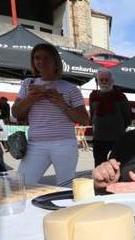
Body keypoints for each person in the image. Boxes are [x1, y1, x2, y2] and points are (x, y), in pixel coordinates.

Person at [12, 43, 89, 185]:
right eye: (37, 58)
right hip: (35, 145)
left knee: (65, 188)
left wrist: (62, 103)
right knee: (21, 185)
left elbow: (84, 120)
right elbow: (15, 113)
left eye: (46, 58)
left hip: (64, 144)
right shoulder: (28, 84)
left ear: (55, 62)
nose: (41, 62)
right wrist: (30, 98)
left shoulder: (70, 88)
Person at [89, 69, 132, 166]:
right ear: (97, 81)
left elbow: (128, 117)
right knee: (99, 165)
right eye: (101, 80)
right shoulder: (93, 96)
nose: (104, 82)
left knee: (118, 165)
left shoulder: (121, 97)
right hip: (99, 138)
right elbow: (92, 115)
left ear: (112, 81)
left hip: (117, 138)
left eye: (106, 80)